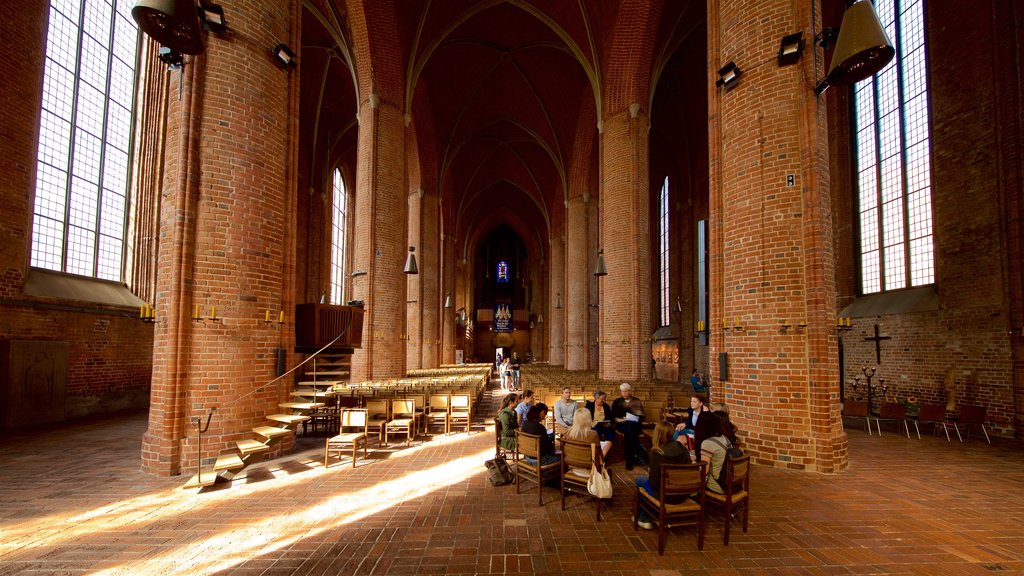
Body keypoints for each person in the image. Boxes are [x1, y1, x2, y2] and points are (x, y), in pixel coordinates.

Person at [632, 421, 693, 530]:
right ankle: (652, 515)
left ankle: (644, 518)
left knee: (640, 480)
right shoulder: (682, 448)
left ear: (657, 434)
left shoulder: (657, 453)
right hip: (683, 493)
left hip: (666, 495)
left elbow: (654, 484)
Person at [700, 409, 740, 494]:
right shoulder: (725, 438)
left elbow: (704, 471)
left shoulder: (707, 443)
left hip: (718, 485)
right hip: (732, 484)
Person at [612, 382, 646, 470]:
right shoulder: (617, 402)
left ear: (629, 391)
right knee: (630, 431)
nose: (623, 393)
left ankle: (629, 459)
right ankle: (638, 452)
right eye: (622, 391)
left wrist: (633, 418)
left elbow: (641, 416)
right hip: (621, 424)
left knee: (630, 431)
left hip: (635, 425)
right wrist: (619, 419)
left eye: (625, 391)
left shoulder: (636, 401)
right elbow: (613, 416)